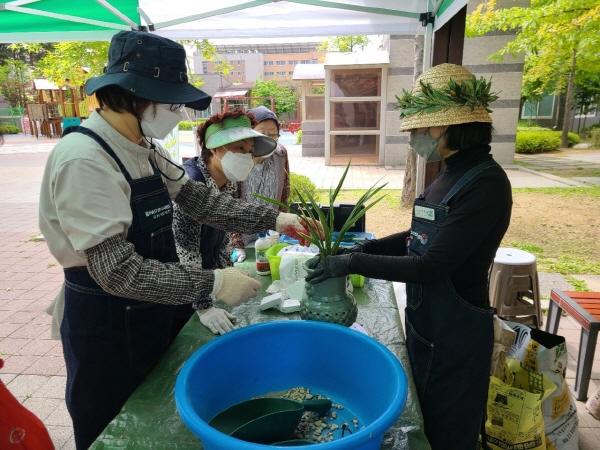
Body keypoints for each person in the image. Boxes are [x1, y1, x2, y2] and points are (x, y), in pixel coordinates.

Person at [38, 30, 311, 450]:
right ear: (132, 95)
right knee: (115, 429)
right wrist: (212, 283)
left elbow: (200, 200)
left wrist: (276, 217)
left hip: (150, 309)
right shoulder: (85, 160)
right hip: (106, 320)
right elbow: (117, 272)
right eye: (171, 103)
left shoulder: (143, 147)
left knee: (156, 415)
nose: (178, 113)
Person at [306, 63, 512, 449]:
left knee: (446, 430)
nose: (414, 137)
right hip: (426, 322)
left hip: (456, 332)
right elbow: (418, 238)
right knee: (423, 412)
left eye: (418, 128)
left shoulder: (485, 184)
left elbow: (430, 266)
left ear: (444, 126)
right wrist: (362, 248)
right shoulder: (449, 173)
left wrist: (351, 263)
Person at [173, 109, 274, 335]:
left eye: (250, 151)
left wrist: (229, 273)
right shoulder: (191, 183)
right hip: (182, 288)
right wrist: (204, 307)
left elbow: (224, 235)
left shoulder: (228, 182)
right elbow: (186, 252)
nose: (247, 157)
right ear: (214, 148)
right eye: (239, 148)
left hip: (209, 280)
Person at [230, 105, 290, 262]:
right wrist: (236, 244)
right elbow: (229, 201)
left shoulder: (281, 154)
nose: (268, 139)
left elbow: (284, 193)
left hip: (270, 235)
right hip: (241, 238)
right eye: (262, 134)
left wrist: (281, 228)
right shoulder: (238, 156)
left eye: (273, 135)